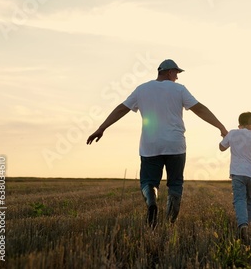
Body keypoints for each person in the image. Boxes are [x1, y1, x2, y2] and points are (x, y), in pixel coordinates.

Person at [86, 59, 228, 228]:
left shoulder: (142, 89)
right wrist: (220, 126)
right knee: (175, 183)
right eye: (176, 74)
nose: (177, 78)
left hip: (150, 145)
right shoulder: (179, 90)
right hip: (175, 145)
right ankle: (169, 223)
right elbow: (200, 109)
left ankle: (152, 201)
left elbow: (121, 109)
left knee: (148, 182)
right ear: (169, 72)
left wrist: (102, 128)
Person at [219, 112, 251, 241]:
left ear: (240, 124)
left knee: (239, 199)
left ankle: (243, 225)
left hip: (238, 173)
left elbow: (221, 148)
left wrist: (225, 136)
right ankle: (249, 225)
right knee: (250, 200)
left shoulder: (233, 133)